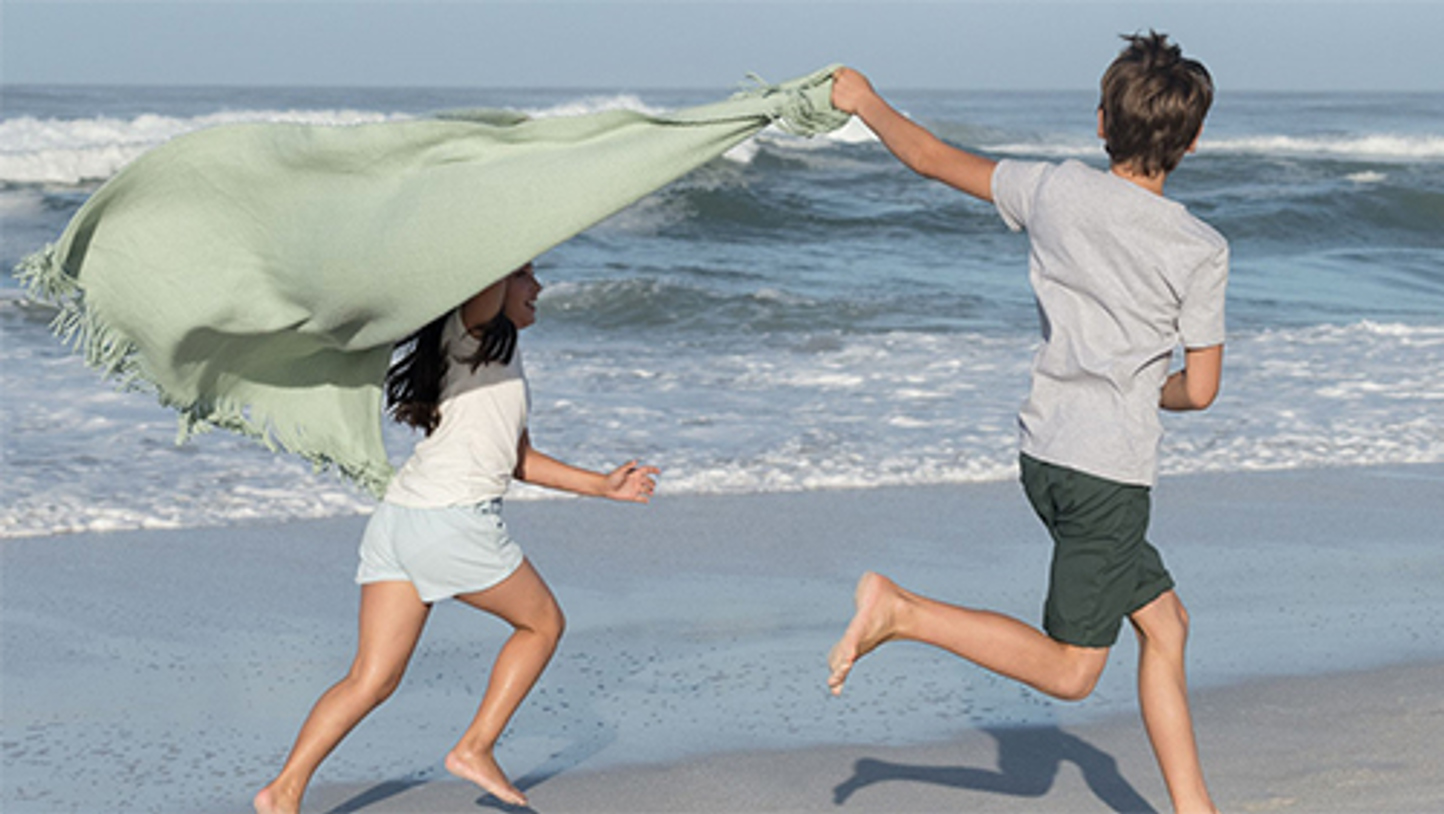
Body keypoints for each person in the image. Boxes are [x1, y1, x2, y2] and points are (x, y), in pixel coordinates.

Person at [824, 32, 1226, 814]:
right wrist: (1147, 391)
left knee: (1166, 623)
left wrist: (866, 101)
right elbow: (1200, 391)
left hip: (1044, 454)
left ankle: (1194, 808)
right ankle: (900, 611)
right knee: (1073, 673)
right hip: (1107, 473)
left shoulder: (1053, 190)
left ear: (1103, 122)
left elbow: (934, 159)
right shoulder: (1199, 247)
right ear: (1194, 140)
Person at [254, 261, 660, 813]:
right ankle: (475, 746)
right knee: (542, 624)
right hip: (452, 521)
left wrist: (602, 486)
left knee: (370, 679)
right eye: (525, 276)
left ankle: (283, 791)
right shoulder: (468, 332)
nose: (537, 287)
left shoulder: (496, 354)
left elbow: (515, 458)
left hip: (400, 521)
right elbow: (485, 259)